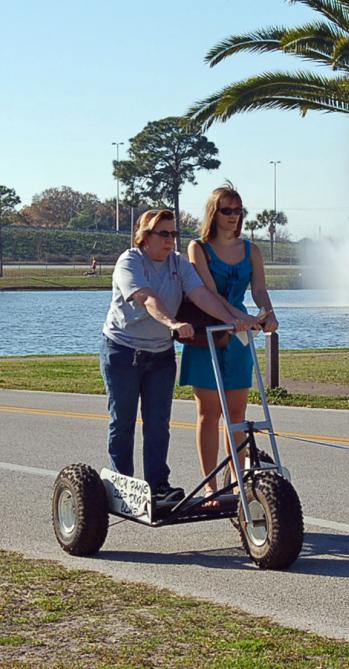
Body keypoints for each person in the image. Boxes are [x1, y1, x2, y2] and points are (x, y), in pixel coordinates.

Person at [101, 209, 258, 503]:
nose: (170, 240)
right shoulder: (130, 261)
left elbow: (202, 295)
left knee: (158, 422)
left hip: (160, 354)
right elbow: (147, 298)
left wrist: (233, 319)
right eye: (164, 234)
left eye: (174, 234)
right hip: (122, 351)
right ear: (145, 236)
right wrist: (172, 323)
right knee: (123, 421)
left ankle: (158, 486)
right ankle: (122, 485)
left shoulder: (179, 264)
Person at [179, 184, 279, 504]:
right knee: (209, 412)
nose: (233, 217)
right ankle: (210, 486)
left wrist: (268, 314)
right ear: (213, 212)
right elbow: (209, 293)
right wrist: (239, 317)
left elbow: (259, 290)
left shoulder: (252, 250)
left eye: (238, 211)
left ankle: (237, 480)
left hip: (239, 336)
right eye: (226, 210)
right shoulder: (199, 248)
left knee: (236, 414)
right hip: (208, 333)